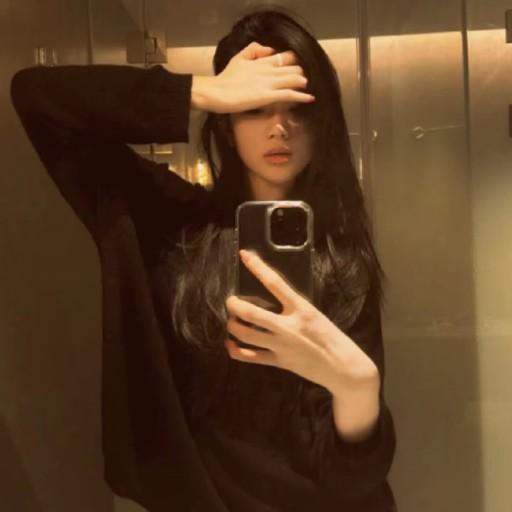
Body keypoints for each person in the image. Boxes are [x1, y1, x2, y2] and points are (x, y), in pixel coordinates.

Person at [10, 6, 396, 512]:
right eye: (256, 107)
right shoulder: (173, 225)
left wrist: (357, 387)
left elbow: (352, 482)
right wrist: (199, 92)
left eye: (298, 108)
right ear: (227, 123)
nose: (279, 127)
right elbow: (37, 97)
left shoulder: (343, 259)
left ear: (322, 123)